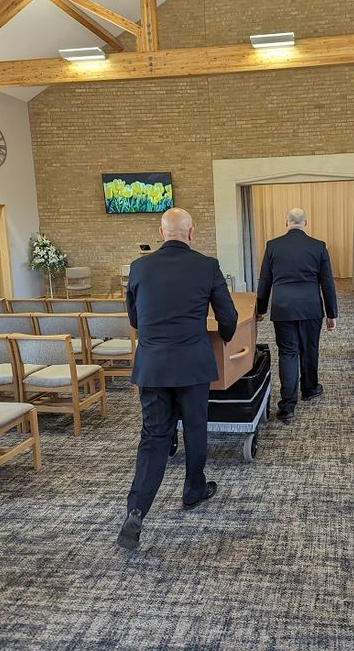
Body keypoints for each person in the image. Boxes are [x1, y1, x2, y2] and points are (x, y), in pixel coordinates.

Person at [117, 207, 238, 549]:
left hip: (153, 367)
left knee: (154, 436)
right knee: (195, 428)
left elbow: (135, 318)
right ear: (192, 232)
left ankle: (136, 511)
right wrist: (227, 335)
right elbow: (226, 314)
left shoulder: (139, 267)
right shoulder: (206, 265)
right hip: (192, 365)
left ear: (160, 232)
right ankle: (193, 491)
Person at [256, 207, 337, 424]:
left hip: (283, 309)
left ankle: (287, 406)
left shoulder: (273, 246)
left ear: (286, 222)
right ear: (305, 223)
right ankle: (310, 389)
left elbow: (264, 281)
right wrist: (332, 313)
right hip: (311, 307)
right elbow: (327, 283)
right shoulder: (318, 246)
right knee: (309, 349)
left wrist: (260, 309)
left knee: (288, 353)